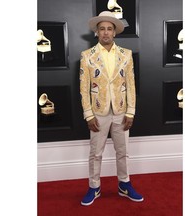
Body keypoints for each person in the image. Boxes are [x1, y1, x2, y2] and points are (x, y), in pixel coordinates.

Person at [79, 11, 143, 206]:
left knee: (123, 151)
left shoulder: (126, 55)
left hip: (121, 111)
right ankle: (94, 186)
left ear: (114, 32)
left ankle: (124, 184)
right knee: (95, 153)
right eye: (102, 29)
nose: (106, 33)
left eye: (109, 29)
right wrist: (88, 115)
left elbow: (131, 85)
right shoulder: (87, 56)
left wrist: (130, 111)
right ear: (96, 33)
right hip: (98, 113)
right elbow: (84, 88)